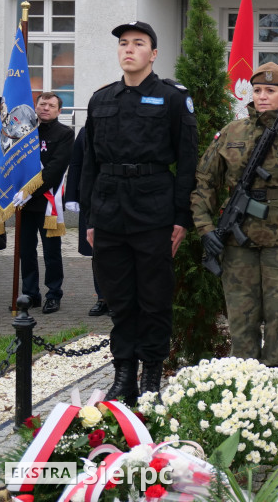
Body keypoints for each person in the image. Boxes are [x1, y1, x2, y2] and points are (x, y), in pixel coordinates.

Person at [79, 21, 198, 403]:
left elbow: (187, 162)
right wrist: (90, 220)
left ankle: (151, 376)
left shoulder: (173, 98)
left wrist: (181, 217)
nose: (128, 49)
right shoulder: (101, 100)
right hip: (110, 211)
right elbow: (89, 165)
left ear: (154, 53)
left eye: (138, 43)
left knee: (154, 298)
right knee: (119, 298)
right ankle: (123, 374)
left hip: (154, 210)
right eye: (123, 44)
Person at [192, 62, 278, 368]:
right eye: (257, 90)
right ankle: (245, 378)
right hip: (237, 243)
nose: (262, 96)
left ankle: (276, 378)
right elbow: (204, 184)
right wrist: (205, 229)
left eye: (270, 90)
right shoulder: (231, 133)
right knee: (240, 315)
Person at [17, 92, 74, 314]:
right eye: (42, 104)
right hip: (25, 204)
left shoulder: (65, 134)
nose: (45, 108)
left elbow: (54, 170)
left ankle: (53, 294)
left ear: (59, 110)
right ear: (36, 107)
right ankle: (31, 294)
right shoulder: (25, 132)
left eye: (51, 105)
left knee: (51, 252)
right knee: (26, 251)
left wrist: (28, 191)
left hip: (48, 203)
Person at [64, 126, 108, 316]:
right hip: (90, 199)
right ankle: (102, 298)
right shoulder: (85, 131)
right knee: (96, 252)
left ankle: (119, 299)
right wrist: (72, 196)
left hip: (117, 197)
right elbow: (75, 164)